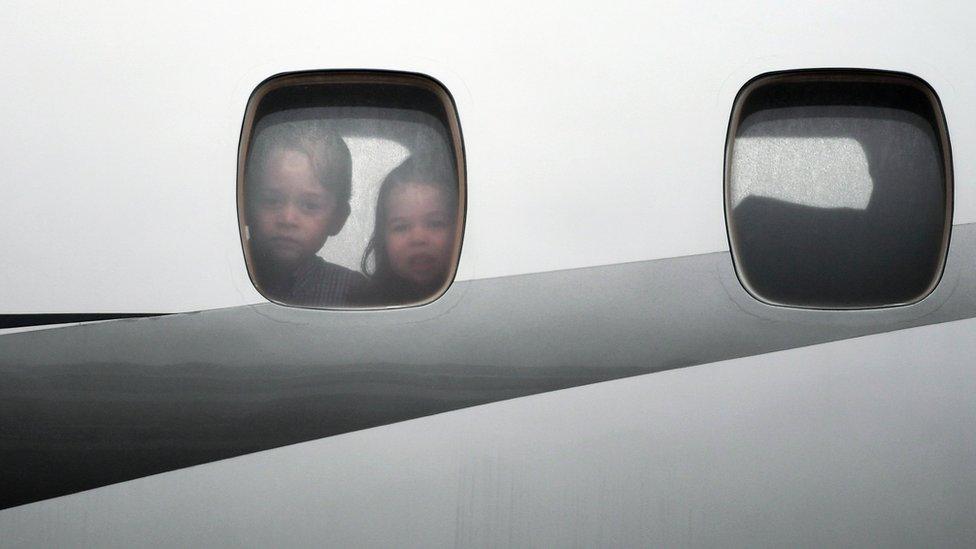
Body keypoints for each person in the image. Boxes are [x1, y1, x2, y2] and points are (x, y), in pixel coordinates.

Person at [245, 121, 366, 306]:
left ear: (338, 219)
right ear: (244, 206)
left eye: (310, 205)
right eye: (271, 201)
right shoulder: (213, 273)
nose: (287, 219)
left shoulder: (354, 291)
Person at [355, 156, 459, 306]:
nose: (418, 238)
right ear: (382, 239)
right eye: (401, 227)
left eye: (435, 223)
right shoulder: (364, 305)